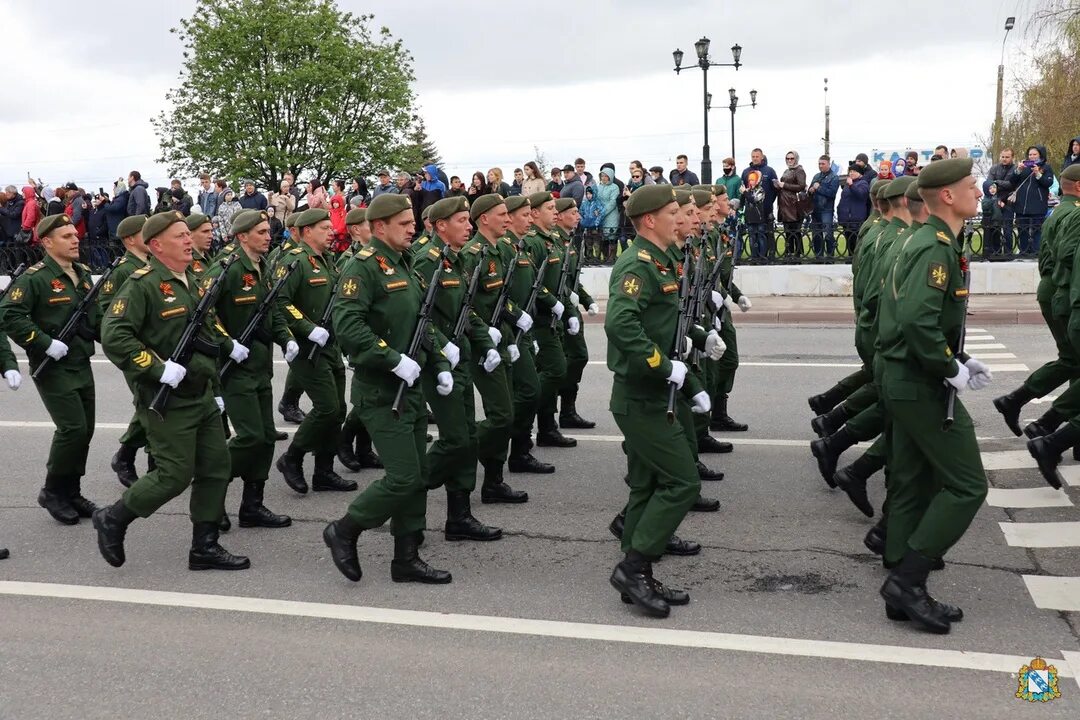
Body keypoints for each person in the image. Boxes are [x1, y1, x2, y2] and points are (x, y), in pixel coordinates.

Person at [91, 210, 247, 571]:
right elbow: (114, 336)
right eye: (180, 236)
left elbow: (206, 336)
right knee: (174, 475)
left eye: (188, 235)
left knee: (215, 468)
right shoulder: (142, 284)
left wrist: (217, 386)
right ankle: (113, 518)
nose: (189, 240)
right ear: (156, 245)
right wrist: (159, 368)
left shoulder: (192, 279)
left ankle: (204, 547)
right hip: (168, 400)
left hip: (201, 393)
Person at [875, 157, 991, 634]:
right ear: (946, 195)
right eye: (971, 186)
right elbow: (917, 322)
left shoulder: (932, 241)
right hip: (918, 380)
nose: (979, 193)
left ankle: (903, 571)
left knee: (912, 478)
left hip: (907, 375)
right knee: (967, 485)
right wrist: (950, 368)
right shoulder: (934, 248)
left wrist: (959, 361)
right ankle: (907, 582)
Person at [323, 193, 453, 584]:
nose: (413, 227)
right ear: (379, 227)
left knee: (417, 474)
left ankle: (406, 557)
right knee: (403, 477)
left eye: (413, 221)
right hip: (381, 390)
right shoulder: (362, 268)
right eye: (404, 222)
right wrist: (391, 358)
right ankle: (345, 529)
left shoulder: (406, 264)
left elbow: (421, 323)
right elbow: (347, 326)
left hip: (410, 388)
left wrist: (442, 360)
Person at [604, 184, 706, 617]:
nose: (680, 217)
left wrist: (692, 368)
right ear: (649, 220)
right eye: (671, 212)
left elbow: (665, 324)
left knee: (647, 484)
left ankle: (637, 575)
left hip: (656, 393)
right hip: (641, 395)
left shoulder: (664, 261)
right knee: (683, 482)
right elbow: (620, 324)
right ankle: (633, 568)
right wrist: (664, 367)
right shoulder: (637, 265)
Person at [412, 196, 506, 539]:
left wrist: (484, 341)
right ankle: (406, 495)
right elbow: (417, 315)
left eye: (469, 220)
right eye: (463, 221)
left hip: (461, 358)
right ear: (441, 226)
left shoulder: (456, 260)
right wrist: (442, 346)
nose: (469, 226)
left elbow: (466, 312)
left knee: (466, 439)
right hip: (439, 365)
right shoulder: (426, 261)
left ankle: (459, 516)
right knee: (453, 440)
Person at [0, 213, 100, 525]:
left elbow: (93, 317)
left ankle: (72, 490)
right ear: (47, 242)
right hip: (54, 366)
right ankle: (52, 492)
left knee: (85, 430)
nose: (75, 241)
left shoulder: (82, 273)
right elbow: (10, 315)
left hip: (81, 361)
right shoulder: (35, 278)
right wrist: (44, 343)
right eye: (67, 237)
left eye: (75, 235)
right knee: (71, 429)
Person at [206, 209, 295, 529]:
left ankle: (252, 505)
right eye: (260, 232)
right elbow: (201, 314)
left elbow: (272, 310)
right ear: (242, 236)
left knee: (266, 438)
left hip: (259, 365)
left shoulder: (263, 266)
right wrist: (228, 344)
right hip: (234, 367)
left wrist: (286, 339)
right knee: (250, 437)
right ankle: (210, 494)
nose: (267, 236)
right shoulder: (226, 268)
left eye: (267, 230)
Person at [993, 164, 1080, 439]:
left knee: (1071, 360)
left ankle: (1016, 401)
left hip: (1054, 288)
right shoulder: (1075, 213)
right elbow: (1068, 255)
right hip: (1065, 291)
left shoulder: (1057, 212)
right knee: (1075, 361)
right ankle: (1056, 430)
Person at [273, 208, 355, 495]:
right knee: (327, 408)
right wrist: (307, 329)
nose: (331, 231)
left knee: (339, 410)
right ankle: (292, 458)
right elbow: (280, 301)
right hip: (307, 348)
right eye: (324, 227)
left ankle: (324, 471)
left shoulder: (327, 260)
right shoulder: (294, 261)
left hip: (330, 345)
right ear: (307, 231)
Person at [464, 194, 532, 501]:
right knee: (502, 415)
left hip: (500, 339)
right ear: (484, 219)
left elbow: (502, 300)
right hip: (480, 345)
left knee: (504, 412)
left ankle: (493, 481)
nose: (508, 219)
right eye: (502, 214)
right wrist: (486, 335)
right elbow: (462, 306)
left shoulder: (498, 251)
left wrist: (514, 322)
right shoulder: (472, 254)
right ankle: (458, 450)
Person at [100, 215, 156, 487]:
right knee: (149, 404)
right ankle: (127, 455)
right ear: (130, 239)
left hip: (157, 346)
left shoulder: (150, 264)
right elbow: (105, 312)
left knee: (154, 403)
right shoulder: (122, 270)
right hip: (137, 349)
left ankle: (143, 457)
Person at [528, 191, 574, 450]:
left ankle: (547, 426)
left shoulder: (551, 240)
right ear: (535, 213)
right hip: (539, 319)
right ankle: (533, 421)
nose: (555, 212)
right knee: (555, 370)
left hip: (552, 318)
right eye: (550, 208)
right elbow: (534, 284)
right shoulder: (535, 242)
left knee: (554, 370)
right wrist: (552, 301)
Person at [553, 198, 599, 430]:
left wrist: (586, 299)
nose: (578, 216)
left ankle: (568, 409)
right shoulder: (553, 243)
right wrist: (567, 296)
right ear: (559, 216)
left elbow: (572, 280)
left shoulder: (568, 242)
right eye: (573, 212)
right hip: (555, 311)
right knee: (555, 365)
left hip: (570, 310)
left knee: (578, 357)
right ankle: (551, 415)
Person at [1012, 145, 1055, 254]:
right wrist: (1018, 170)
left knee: (1037, 230)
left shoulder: (1046, 167)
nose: (1032, 157)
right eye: (1030, 154)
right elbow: (1012, 181)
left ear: (1040, 155)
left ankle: (1037, 252)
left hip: (1038, 205)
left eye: (1034, 154)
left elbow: (1048, 183)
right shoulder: (1024, 166)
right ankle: (1024, 251)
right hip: (1022, 205)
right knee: (1022, 230)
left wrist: (1038, 173)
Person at [983, 148, 1017, 255]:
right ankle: (995, 252)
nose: (1004, 159)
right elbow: (989, 184)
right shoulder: (994, 168)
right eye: (1003, 157)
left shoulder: (1015, 169)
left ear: (1012, 157)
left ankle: (1008, 253)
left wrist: (997, 182)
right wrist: (996, 199)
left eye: (1007, 157)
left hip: (1008, 202)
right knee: (995, 228)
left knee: (1007, 229)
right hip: (995, 202)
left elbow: (1012, 184)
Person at [776, 151, 808, 258]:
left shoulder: (799, 170)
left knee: (795, 231)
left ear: (796, 159)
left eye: (792, 158)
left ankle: (797, 254)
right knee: (788, 231)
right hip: (784, 203)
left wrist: (784, 185)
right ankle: (789, 252)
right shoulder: (787, 171)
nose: (789, 160)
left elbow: (801, 186)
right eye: (787, 158)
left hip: (794, 204)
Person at [809, 155, 840, 259]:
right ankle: (818, 257)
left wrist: (819, 188)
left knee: (828, 235)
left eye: (823, 164)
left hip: (826, 210)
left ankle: (830, 257)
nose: (820, 166)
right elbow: (810, 189)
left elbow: (832, 193)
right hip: (815, 209)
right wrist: (810, 190)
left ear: (828, 164)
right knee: (816, 235)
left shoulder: (834, 177)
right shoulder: (816, 176)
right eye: (819, 164)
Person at [837, 165, 872, 256]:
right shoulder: (847, 185)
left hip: (856, 218)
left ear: (860, 174)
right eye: (850, 171)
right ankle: (850, 257)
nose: (851, 173)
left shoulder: (863, 183)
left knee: (855, 241)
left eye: (854, 171)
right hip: (846, 218)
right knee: (848, 241)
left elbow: (861, 195)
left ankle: (855, 259)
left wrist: (852, 185)